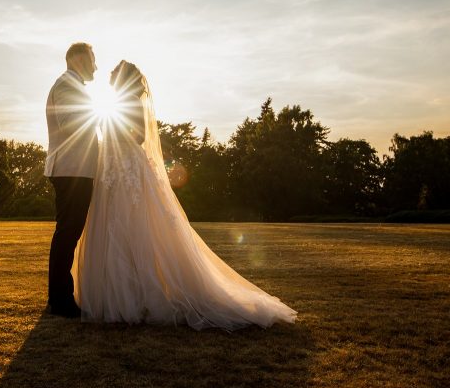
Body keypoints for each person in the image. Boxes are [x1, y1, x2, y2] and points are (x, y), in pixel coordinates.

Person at [72, 60, 297, 330]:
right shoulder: (115, 101)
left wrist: (115, 134)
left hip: (128, 171)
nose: (108, 74)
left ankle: (137, 298)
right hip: (112, 170)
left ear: (123, 78)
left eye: (113, 73)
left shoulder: (131, 100)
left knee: (135, 229)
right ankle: (118, 296)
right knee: (113, 228)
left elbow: (140, 136)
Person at [43, 42, 100, 318]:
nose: (95, 66)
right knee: (68, 232)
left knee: (69, 231)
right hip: (71, 169)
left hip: (76, 168)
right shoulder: (66, 85)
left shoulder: (72, 85)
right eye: (92, 59)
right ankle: (60, 299)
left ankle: (60, 296)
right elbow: (69, 122)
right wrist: (104, 123)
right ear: (77, 59)